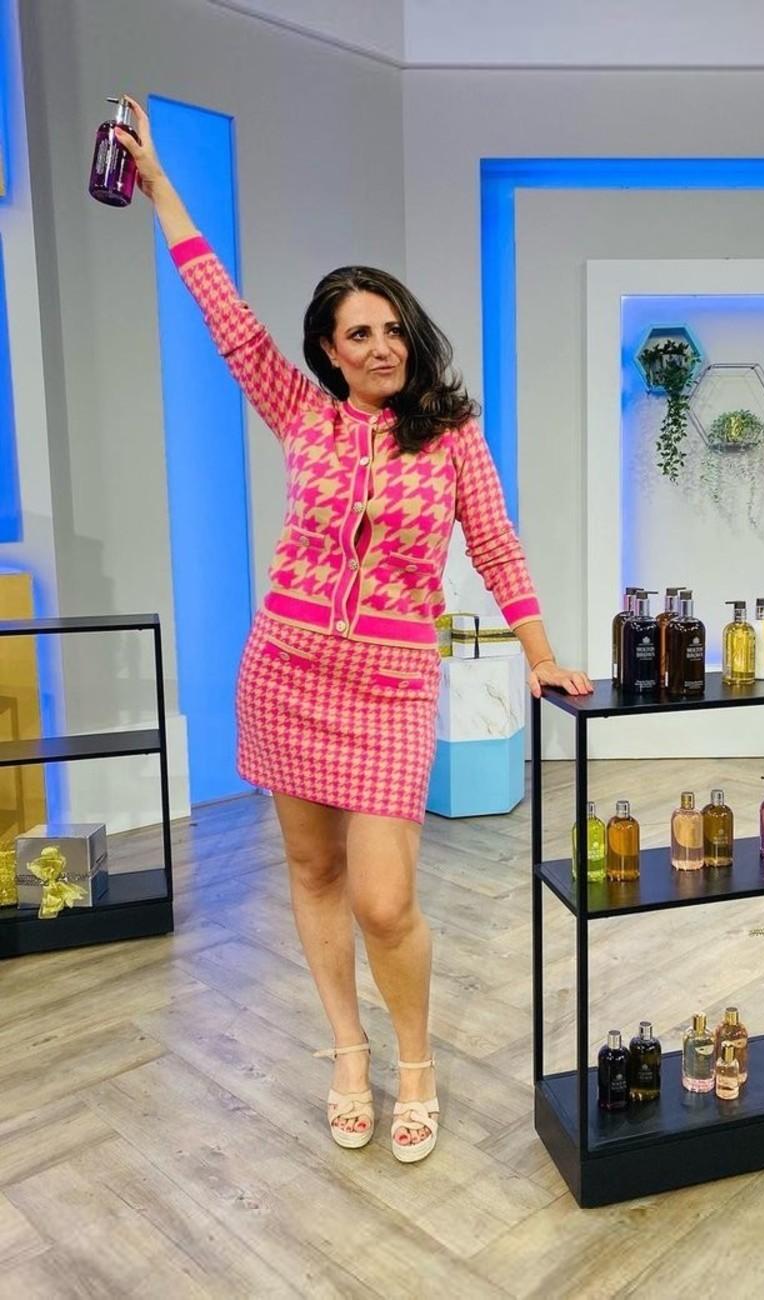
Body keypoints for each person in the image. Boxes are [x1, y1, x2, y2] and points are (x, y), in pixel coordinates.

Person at [115, 98, 593, 1164]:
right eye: (358, 333)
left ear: (412, 336)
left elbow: (496, 543)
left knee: (385, 898)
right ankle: (347, 1050)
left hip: (388, 689)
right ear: (329, 354)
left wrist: (540, 652)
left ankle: (415, 1059)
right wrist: (159, 186)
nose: (381, 346)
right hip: (286, 672)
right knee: (315, 872)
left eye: (392, 328)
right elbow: (225, 312)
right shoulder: (302, 414)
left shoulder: (452, 435)